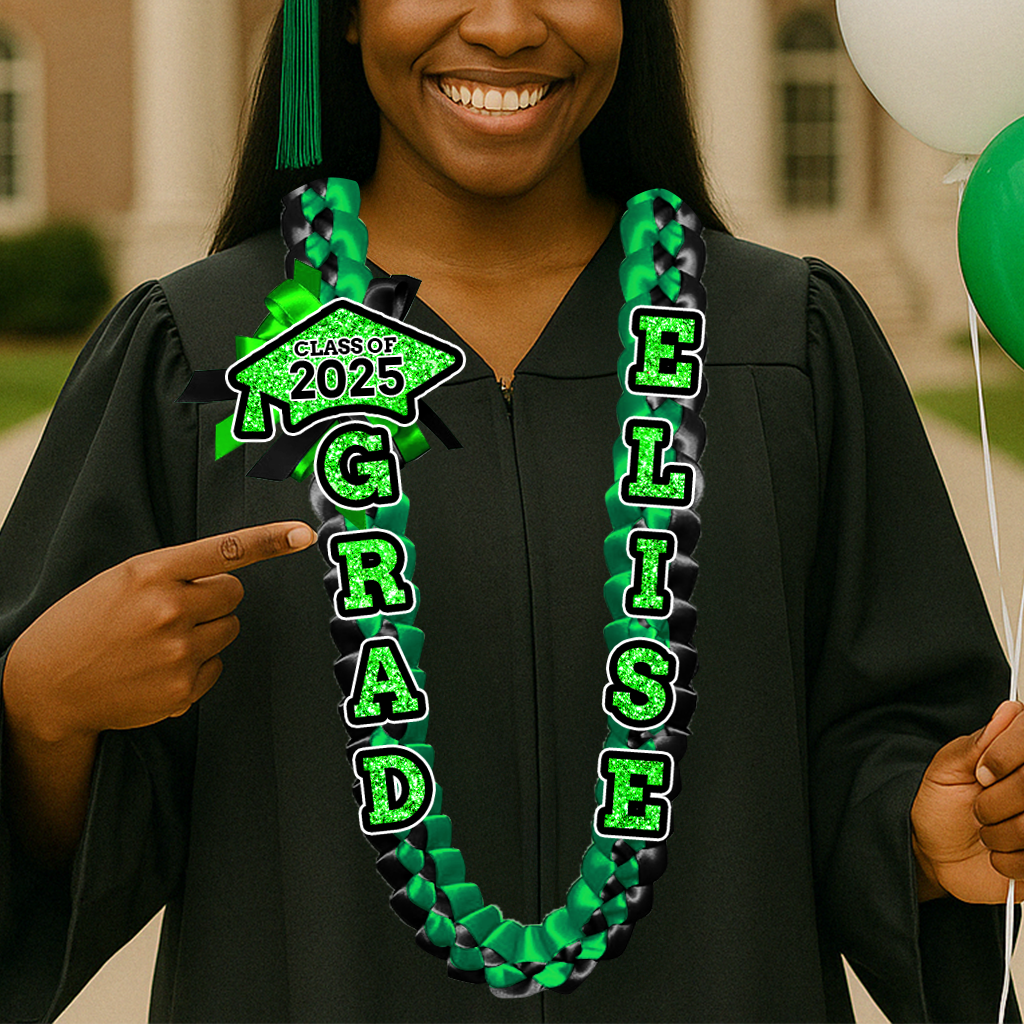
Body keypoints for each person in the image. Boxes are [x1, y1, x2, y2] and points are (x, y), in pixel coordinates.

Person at [1, 1, 1023, 1020]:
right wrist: (41, 710)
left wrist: (926, 833)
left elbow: (883, 733)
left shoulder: (782, 342)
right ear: (346, 16)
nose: (501, 25)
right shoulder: (202, 350)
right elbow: (81, 841)